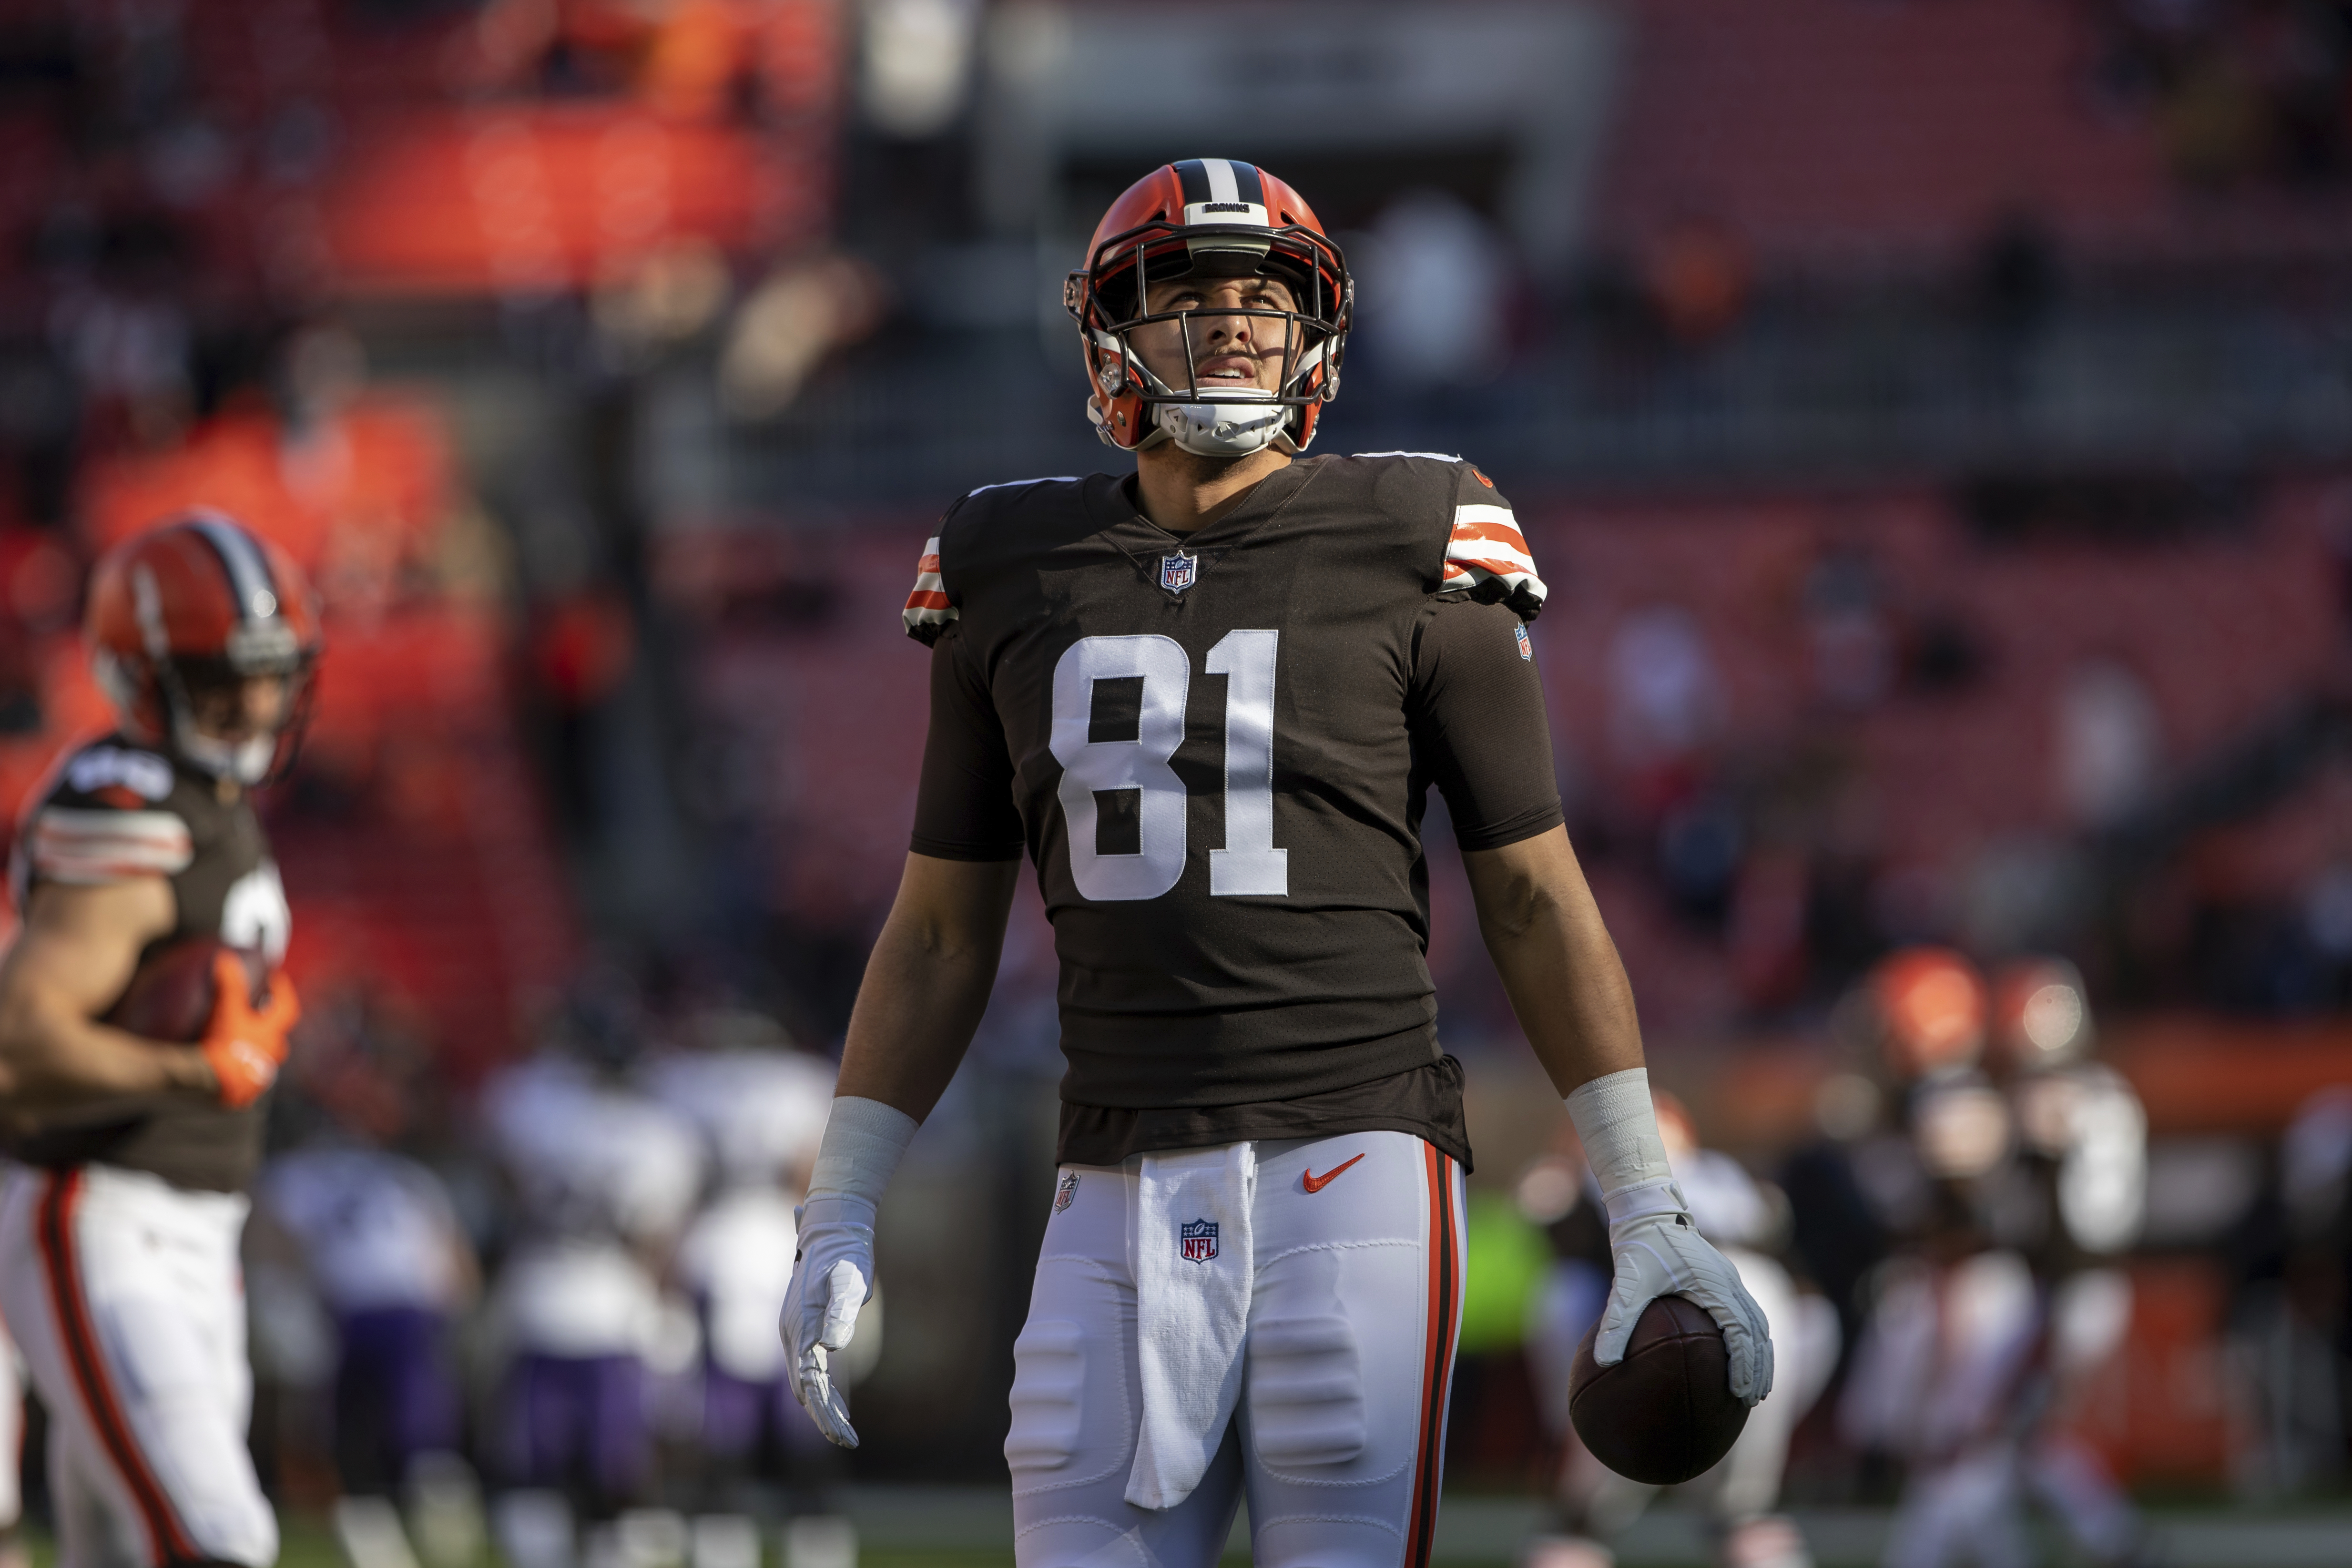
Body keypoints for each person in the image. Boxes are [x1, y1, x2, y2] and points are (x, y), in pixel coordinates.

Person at [777, 158, 1774, 1568]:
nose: (1239, 325)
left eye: (1267, 298)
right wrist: (841, 1203)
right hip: (1111, 1177)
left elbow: (1537, 892)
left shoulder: (1419, 531)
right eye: (1191, 294)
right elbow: (940, 931)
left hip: (1352, 1165)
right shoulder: (1009, 559)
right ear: (1109, 331)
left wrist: (1643, 1194)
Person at [0, 512, 316, 1568]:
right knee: (216, 1538)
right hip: (104, 1215)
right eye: (222, 678)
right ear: (143, 677)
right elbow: (20, 1036)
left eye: (271, 675)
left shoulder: (208, 803)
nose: (258, 703)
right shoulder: (128, 809)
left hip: (198, 1233)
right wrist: (196, 1066)